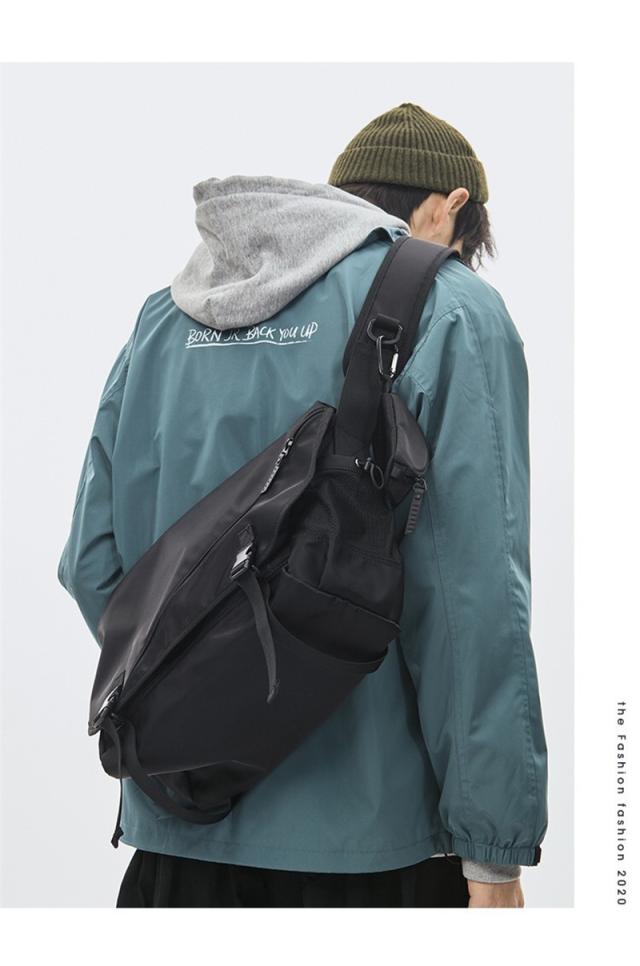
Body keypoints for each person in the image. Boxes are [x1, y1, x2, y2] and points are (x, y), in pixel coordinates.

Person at [58, 102, 548, 908]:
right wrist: (493, 853)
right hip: (373, 857)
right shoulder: (451, 306)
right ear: (451, 208)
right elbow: (471, 604)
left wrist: (203, 700)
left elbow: (91, 561)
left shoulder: (163, 317)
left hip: (172, 839)